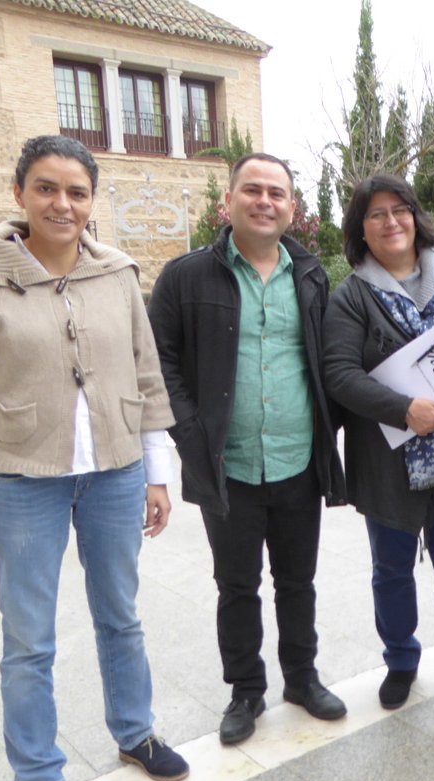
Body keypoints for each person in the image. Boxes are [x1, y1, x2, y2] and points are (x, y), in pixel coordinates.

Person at [0, 135, 188, 781]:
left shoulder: (116, 274)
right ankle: (40, 777)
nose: (62, 204)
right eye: (46, 188)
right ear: (19, 194)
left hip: (113, 473)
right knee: (29, 637)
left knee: (122, 615)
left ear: (91, 200)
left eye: (76, 191)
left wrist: (156, 472)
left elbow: (146, 376)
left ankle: (135, 732)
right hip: (23, 482)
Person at [149, 153, 348, 746]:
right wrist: (190, 433)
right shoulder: (186, 277)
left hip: (296, 460)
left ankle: (302, 678)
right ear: (228, 200)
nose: (265, 201)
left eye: (277, 193)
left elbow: (324, 360)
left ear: (292, 207)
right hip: (227, 465)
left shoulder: (310, 276)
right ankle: (245, 690)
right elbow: (159, 360)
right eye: (252, 190)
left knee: (298, 581)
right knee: (236, 585)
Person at [323, 174, 434, 711]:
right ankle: (401, 659)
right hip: (390, 463)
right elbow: (340, 372)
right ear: (361, 230)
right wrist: (404, 410)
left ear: (417, 217)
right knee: (392, 570)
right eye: (376, 214)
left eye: (400, 209)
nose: (392, 221)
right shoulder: (351, 296)